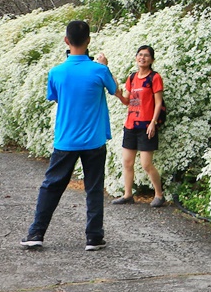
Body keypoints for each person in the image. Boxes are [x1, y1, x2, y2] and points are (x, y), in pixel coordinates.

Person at [21, 19, 117, 251]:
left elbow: (54, 97)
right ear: (89, 41)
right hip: (94, 139)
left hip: (66, 139)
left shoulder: (56, 72)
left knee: (51, 186)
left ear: (66, 40)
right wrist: (104, 65)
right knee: (94, 187)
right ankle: (94, 237)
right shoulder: (99, 69)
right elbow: (115, 90)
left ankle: (36, 233)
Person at [111, 44, 166, 208]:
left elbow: (158, 103)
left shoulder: (154, 78)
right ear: (136, 57)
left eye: (146, 55)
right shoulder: (132, 77)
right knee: (127, 163)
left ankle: (159, 194)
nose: (142, 58)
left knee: (146, 164)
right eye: (140, 55)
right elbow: (128, 101)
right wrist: (119, 94)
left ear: (151, 60)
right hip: (130, 125)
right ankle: (128, 195)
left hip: (146, 126)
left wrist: (153, 123)